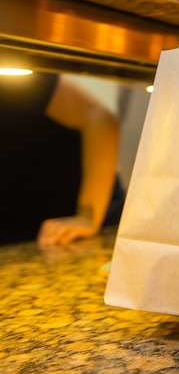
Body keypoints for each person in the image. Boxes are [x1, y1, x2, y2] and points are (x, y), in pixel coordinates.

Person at [0, 72, 121, 246]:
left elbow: (100, 119)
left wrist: (86, 218)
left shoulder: (9, 75)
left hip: (83, 224)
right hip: (20, 237)